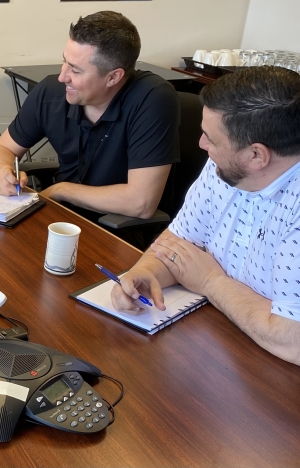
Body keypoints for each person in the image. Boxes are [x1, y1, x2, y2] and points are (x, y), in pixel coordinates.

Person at [111, 66, 300, 366]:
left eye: (211, 139)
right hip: (221, 344)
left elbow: (292, 340)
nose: (201, 145)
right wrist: (144, 273)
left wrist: (211, 282)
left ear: (256, 156)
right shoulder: (224, 169)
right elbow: (175, 245)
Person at [0, 11, 179, 223]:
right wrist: (3, 172)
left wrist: (62, 190)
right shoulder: (51, 91)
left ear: (113, 77)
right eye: (65, 62)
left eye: (76, 71)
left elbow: (141, 203)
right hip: (61, 217)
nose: (63, 76)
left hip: (119, 230)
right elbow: (3, 149)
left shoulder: (152, 98)